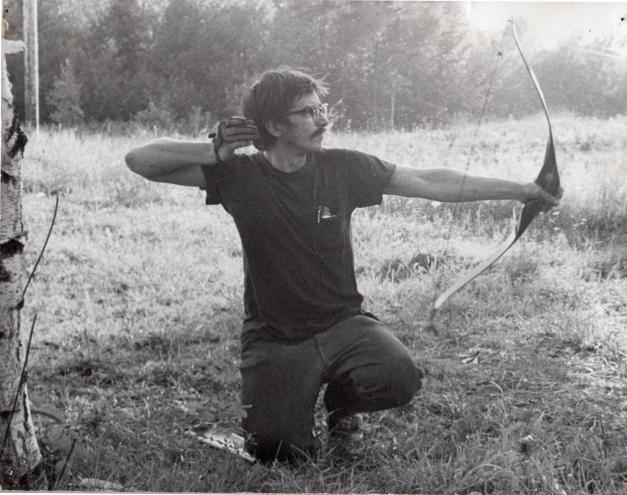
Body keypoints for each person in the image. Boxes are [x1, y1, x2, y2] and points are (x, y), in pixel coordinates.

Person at [125, 68, 560, 463]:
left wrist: (521, 188)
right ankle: (282, 415)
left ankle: (343, 406)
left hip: (343, 324)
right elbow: (141, 161)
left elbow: (431, 181)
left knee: (400, 376)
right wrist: (214, 150)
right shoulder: (239, 175)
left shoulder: (344, 168)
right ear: (275, 125)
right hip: (274, 337)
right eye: (308, 112)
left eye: (322, 108)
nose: (323, 120)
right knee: (277, 453)